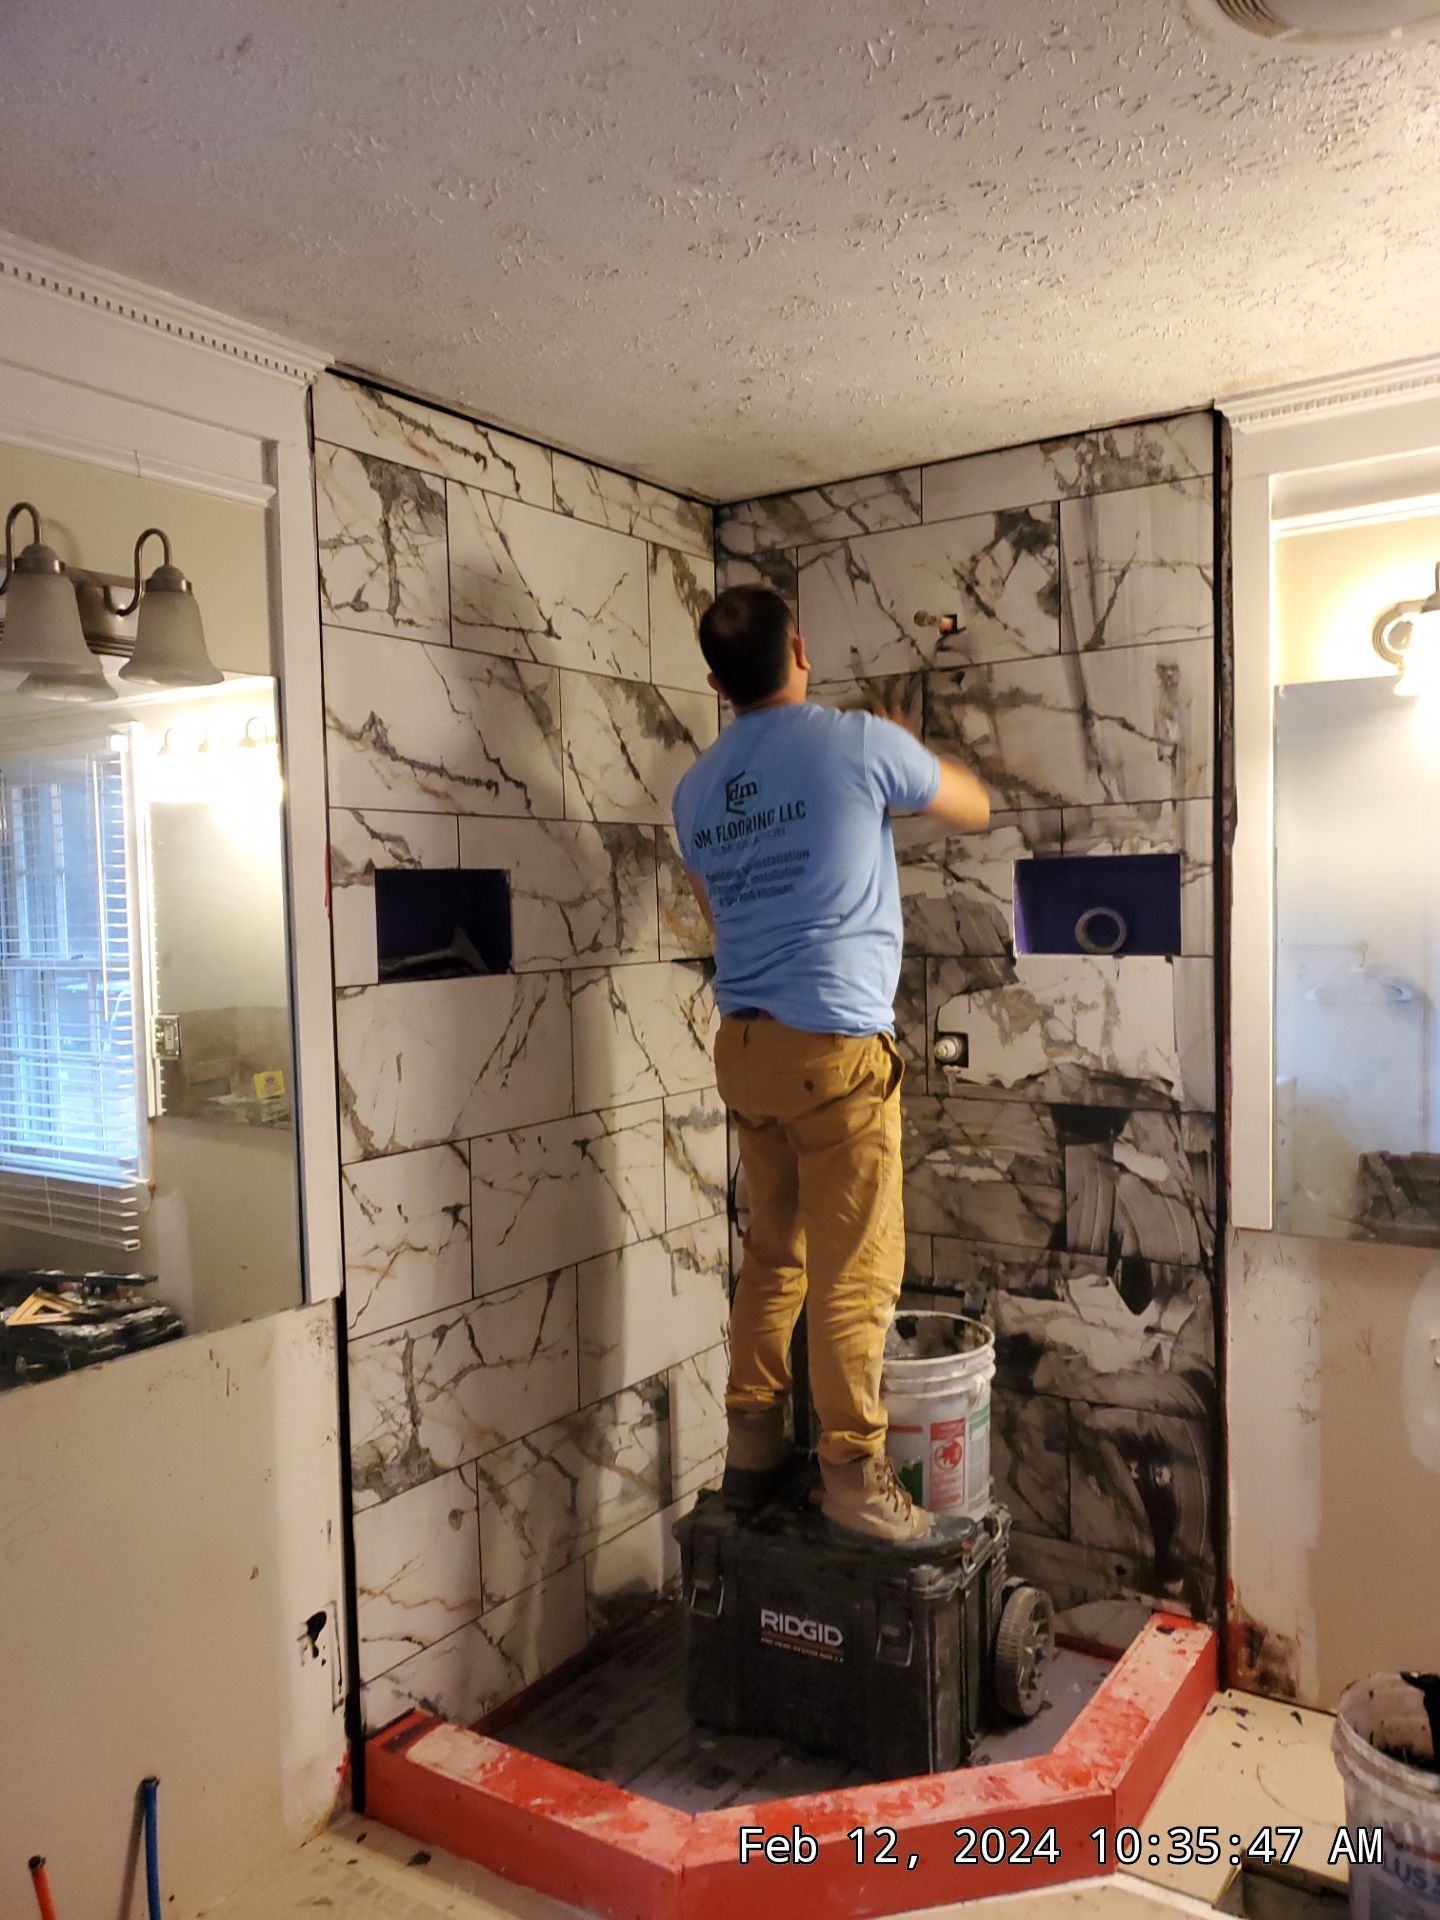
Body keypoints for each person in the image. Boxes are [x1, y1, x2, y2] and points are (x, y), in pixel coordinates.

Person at [672, 585, 991, 1548]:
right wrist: (913, 750)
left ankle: (752, 1448)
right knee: (857, 1273)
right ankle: (853, 1478)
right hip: (836, 1053)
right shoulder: (853, 741)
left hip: (746, 1049)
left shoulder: (694, 791)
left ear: (716, 683)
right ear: (799, 650)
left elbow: (721, 915)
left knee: (774, 1256)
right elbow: (972, 807)